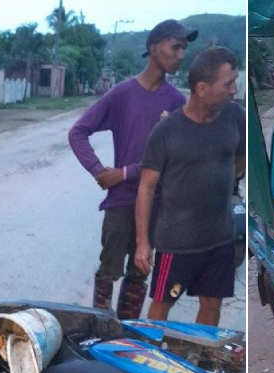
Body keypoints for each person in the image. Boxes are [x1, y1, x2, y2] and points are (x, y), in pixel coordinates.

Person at [68, 18, 194, 317]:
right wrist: (99, 171)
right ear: (154, 48)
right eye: (175, 47)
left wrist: (123, 173)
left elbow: (172, 161)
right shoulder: (122, 94)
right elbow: (78, 132)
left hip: (157, 206)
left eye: (184, 49)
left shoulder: (176, 102)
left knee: (140, 273)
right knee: (108, 271)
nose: (181, 55)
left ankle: (127, 336)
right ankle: (100, 332)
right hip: (122, 202)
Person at [134, 46, 245, 326]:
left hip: (220, 238)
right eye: (228, 83)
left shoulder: (235, 117)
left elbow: (241, 156)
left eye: (235, 82)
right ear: (202, 89)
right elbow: (146, 188)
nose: (234, 90)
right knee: (162, 305)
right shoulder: (167, 131)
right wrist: (143, 243)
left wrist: (227, 182)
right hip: (177, 243)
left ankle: (201, 359)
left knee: (211, 304)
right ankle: (155, 359)